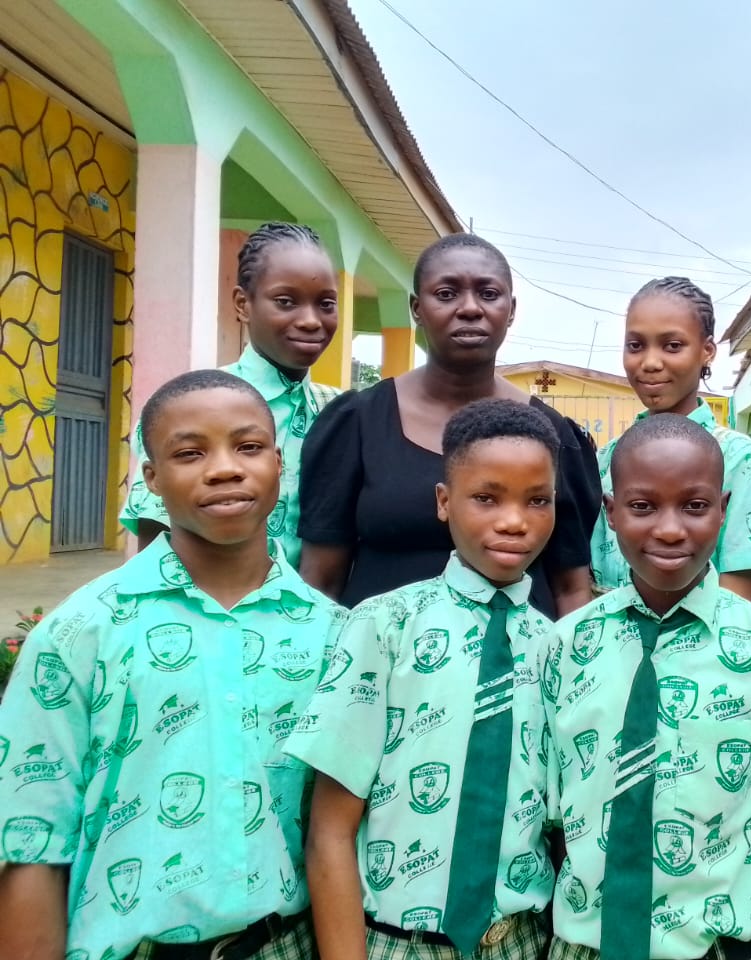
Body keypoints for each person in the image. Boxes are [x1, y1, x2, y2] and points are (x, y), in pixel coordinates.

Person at [0, 369, 343, 960]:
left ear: (279, 463)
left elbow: (336, 831)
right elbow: (33, 845)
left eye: (249, 446)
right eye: (190, 453)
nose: (225, 468)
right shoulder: (80, 635)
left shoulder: (335, 634)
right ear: (151, 479)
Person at [540, 413, 751, 960]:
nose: (670, 529)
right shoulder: (566, 647)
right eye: (643, 506)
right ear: (611, 513)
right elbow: (554, 818)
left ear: (722, 510)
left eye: (694, 507)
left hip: (723, 947)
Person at [288, 398, 559, 960]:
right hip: (395, 943)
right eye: (486, 498)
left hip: (524, 941)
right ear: (444, 502)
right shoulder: (383, 627)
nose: (514, 520)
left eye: (538, 501)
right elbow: (331, 830)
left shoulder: (559, 647)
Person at [298, 233, 600, 618]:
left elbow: (570, 589)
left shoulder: (555, 436)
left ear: (511, 310)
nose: (470, 308)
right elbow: (321, 579)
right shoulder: (357, 422)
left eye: (488, 294)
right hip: (381, 665)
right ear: (416, 308)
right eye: (446, 293)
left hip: (519, 667)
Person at [120, 222, 341, 568]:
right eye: (286, 302)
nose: (311, 320)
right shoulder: (184, 408)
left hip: (309, 614)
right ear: (243, 304)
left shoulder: (340, 412)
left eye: (326, 303)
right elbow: (155, 548)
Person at [591, 277, 751, 602]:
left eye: (672, 346)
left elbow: (740, 601)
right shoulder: (605, 459)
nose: (650, 363)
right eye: (636, 345)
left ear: (707, 351)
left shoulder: (741, 460)